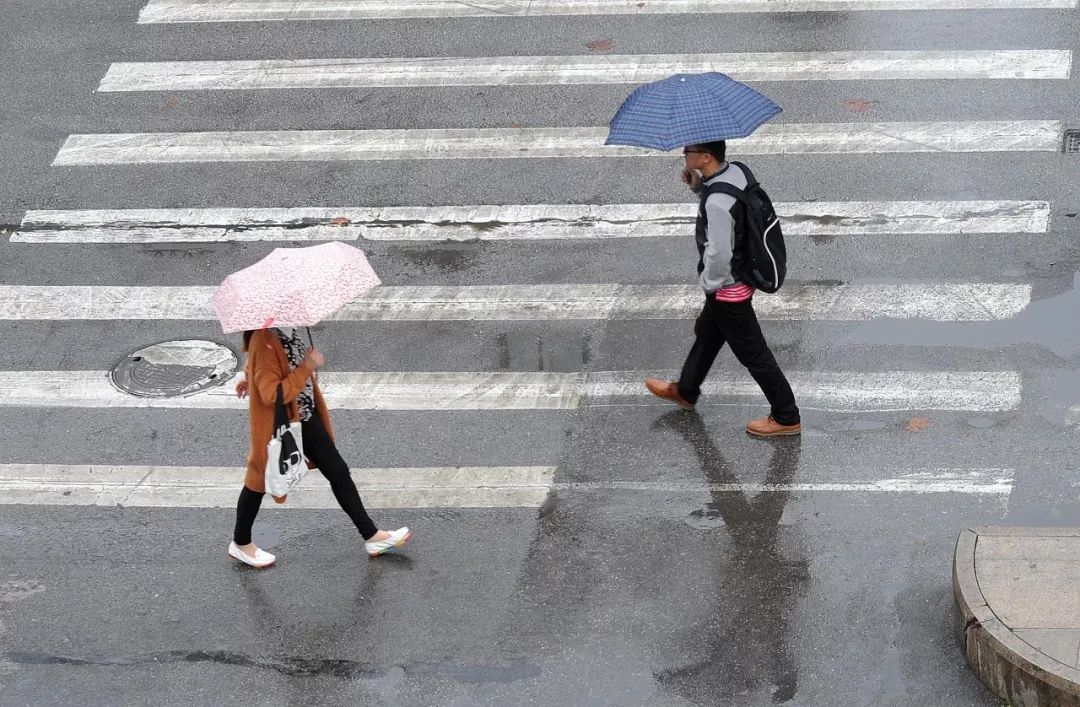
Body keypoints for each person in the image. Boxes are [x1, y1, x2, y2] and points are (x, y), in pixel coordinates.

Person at [645, 140, 801, 437]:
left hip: (727, 288)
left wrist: (709, 284)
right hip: (741, 276)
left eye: (689, 151)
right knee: (707, 332)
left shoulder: (716, 202)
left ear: (705, 158)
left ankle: (786, 415)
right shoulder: (738, 172)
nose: (684, 154)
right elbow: (733, 208)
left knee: (754, 355)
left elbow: (719, 252)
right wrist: (699, 187)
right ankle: (687, 390)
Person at [229, 327, 411, 568]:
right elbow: (271, 393)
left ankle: (372, 536)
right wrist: (308, 366)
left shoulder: (286, 331)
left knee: (338, 472)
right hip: (282, 424)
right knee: (258, 482)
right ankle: (241, 544)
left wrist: (251, 377)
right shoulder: (265, 339)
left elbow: (271, 368)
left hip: (305, 418)